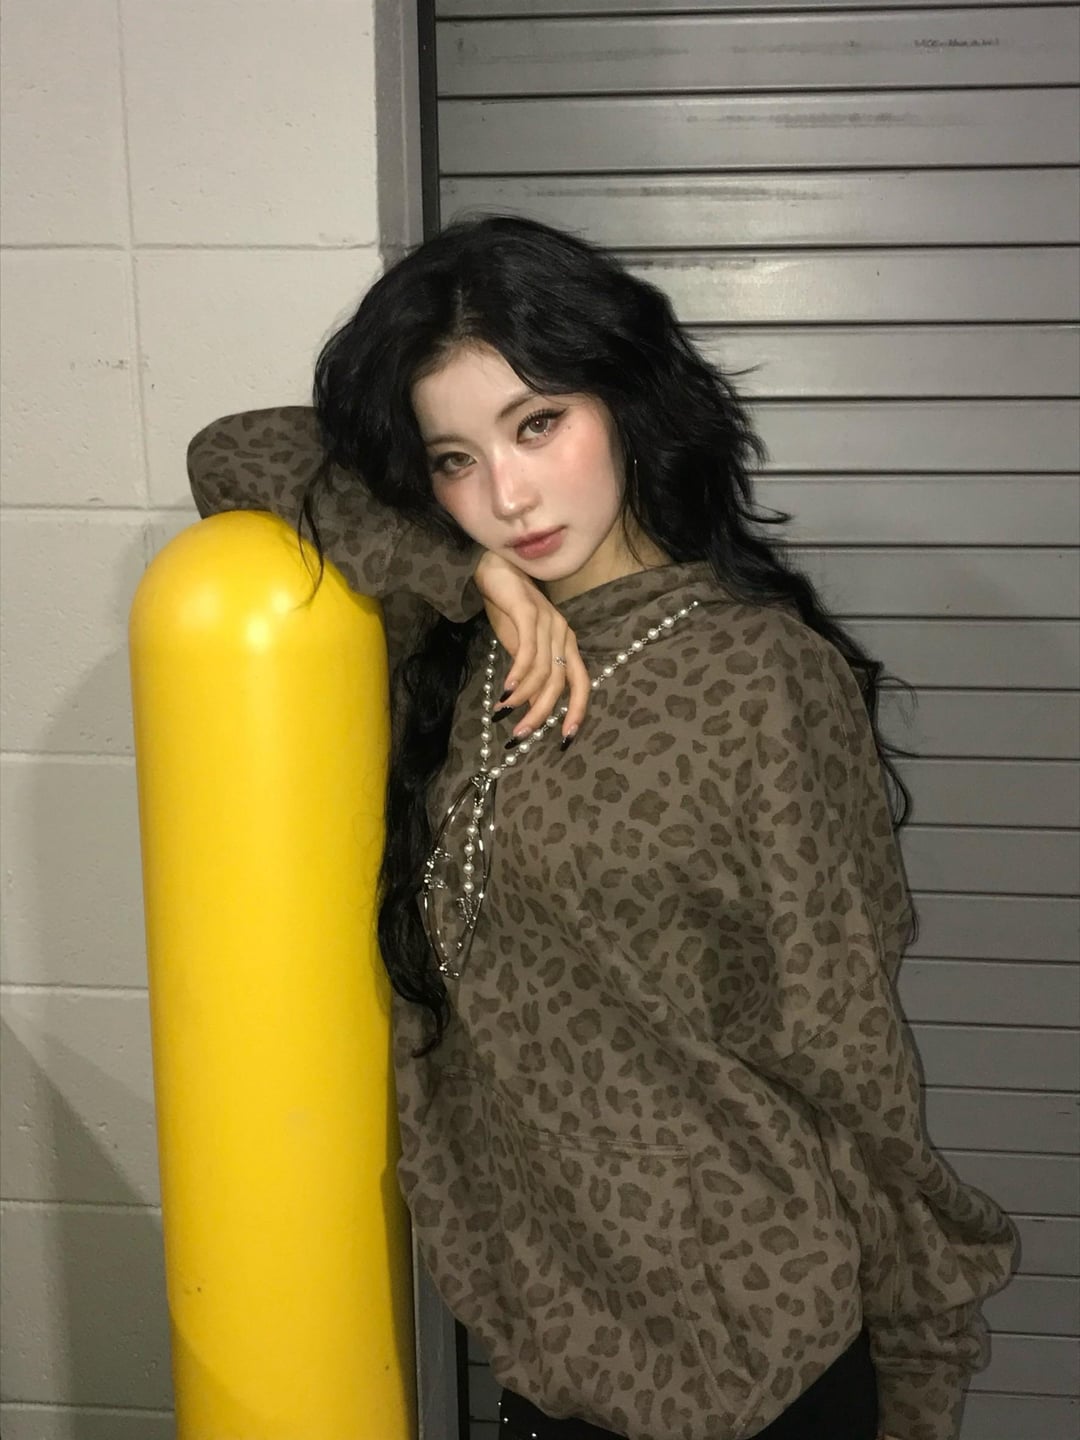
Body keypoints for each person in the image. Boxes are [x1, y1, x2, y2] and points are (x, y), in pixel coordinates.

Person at [187, 214, 1020, 1440]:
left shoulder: (759, 679)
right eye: (455, 459)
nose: (506, 496)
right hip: (553, 1343)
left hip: (753, 1347)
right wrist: (468, 574)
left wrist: (924, 1367)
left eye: (538, 425)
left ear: (624, 402)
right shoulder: (469, 638)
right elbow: (232, 452)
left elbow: (847, 1050)